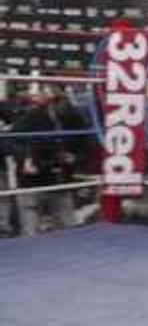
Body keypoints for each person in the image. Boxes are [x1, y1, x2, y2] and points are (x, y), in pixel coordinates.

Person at [9, 87, 89, 237]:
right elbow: (12, 140)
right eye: (54, 115)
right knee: (30, 230)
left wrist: (75, 157)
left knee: (67, 227)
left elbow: (85, 143)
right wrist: (25, 159)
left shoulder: (74, 117)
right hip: (33, 178)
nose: (57, 120)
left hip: (60, 179)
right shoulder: (32, 117)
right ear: (49, 106)